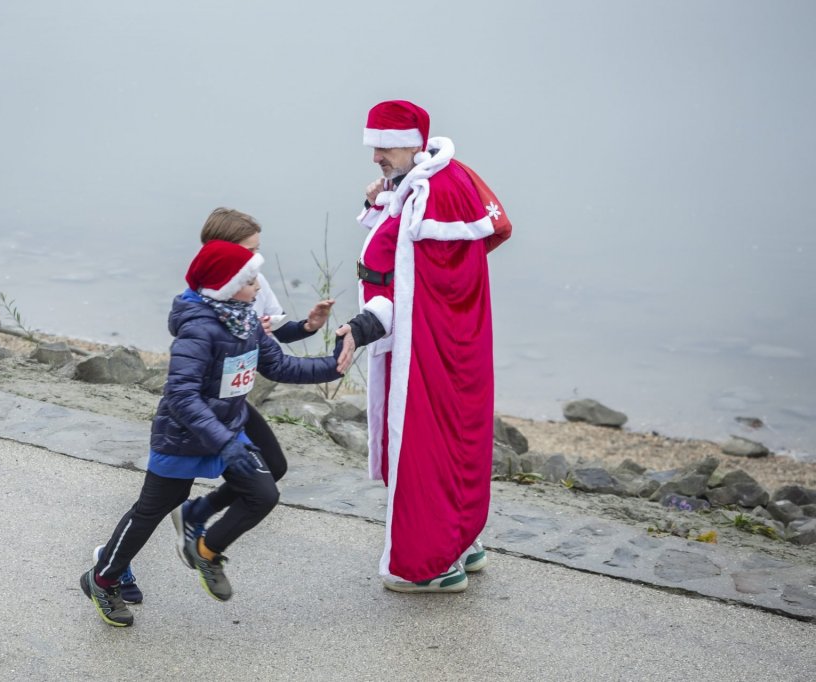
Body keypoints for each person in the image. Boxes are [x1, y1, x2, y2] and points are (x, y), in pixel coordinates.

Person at [80, 236, 342, 627]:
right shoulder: (199, 330)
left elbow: (282, 367)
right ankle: (103, 579)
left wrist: (336, 363)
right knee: (149, 513)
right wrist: (223, 441)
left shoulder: (247, 320)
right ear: (228, 286)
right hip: (183, 436)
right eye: (251, 280)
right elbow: (182, 397)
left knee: (263, 493)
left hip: (226, 429)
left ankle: (206, 550)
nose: (258, 286)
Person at [335, 100, 511, 593]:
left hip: (428, 352)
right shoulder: (436, 181)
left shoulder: (433, 192)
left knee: (424, 447)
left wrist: (367, 325)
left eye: (384, 147)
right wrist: (384, 200)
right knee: (451, 442)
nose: (376, 157)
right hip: (447, 349)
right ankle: (460, 543)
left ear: (414, 142)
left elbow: (410, 287)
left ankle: (429, 565)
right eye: (373, 147)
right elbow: (401, 254)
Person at [168, 208, 335, 553]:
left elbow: (268, 333)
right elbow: (195, 356)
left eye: (258, 249)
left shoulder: (253, 279)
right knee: (156, 501)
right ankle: (118, 568)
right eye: (249, 249)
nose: (256, 258)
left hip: (233, 401)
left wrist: (308, 326)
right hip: (204, 406)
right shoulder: (204, 294)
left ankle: (197, 512)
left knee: (274, 466)